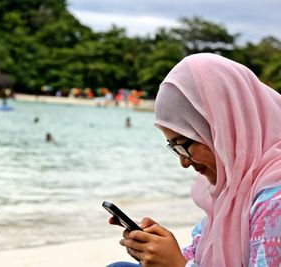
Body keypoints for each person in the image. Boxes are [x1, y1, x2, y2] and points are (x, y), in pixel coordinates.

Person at [107, 53, 281, 266]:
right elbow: (198, 257)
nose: (184, 162)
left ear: (223, 129)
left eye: (183, 145)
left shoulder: (274, 201)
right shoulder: (233, 189)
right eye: (173, 147)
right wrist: (155, 249)